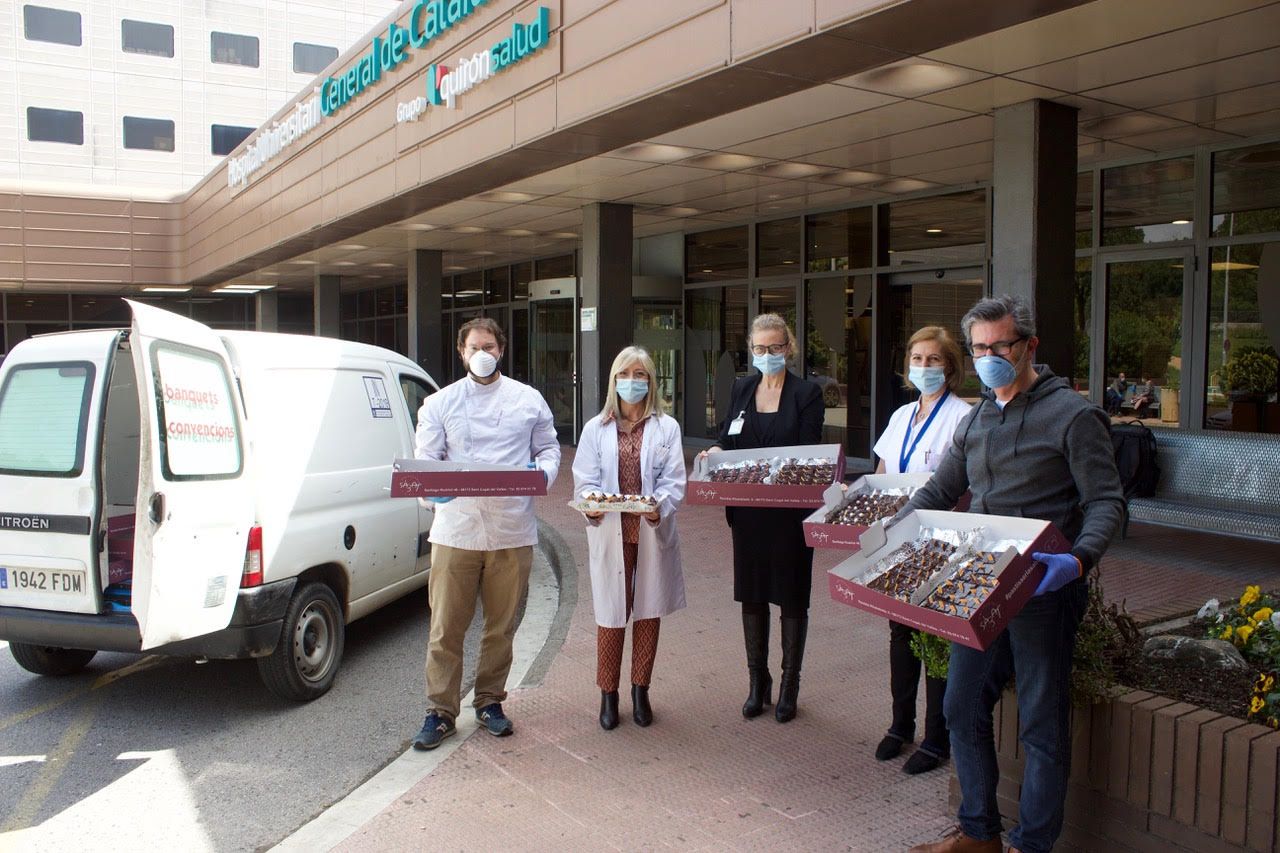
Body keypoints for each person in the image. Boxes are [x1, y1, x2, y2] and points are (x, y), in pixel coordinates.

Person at [905, 295, 1125, 853]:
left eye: (1000, 345)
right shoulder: (979, 415)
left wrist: (1078, 559)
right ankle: (979, 834)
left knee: (1040, 724)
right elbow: (940, 489)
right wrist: (887, 528)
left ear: (1029, 346)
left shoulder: (1073, 415)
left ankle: (1033, 844)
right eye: (979, 348)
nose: (989, 356)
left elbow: (1106, 502)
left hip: (1044, 588)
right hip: (980, 583)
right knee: (960, 706)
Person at [410, 317, 561, 750]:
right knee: (445, 628)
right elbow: (426, 462)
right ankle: (440, 711)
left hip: (512, 530)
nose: (483, 353)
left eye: (490, 346)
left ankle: (490, 701)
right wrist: (430, 496)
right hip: (456, 530)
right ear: (462, 352)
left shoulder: (527, 400)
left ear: (502, 350)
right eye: (475, 346)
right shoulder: (440, 404)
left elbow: (548, 448)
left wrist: (542, 474)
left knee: (501, 626)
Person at [702, 313, 824, 723]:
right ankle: (759, 682)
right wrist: (715, 453)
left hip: (790, 515)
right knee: (752, 595)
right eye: (759, 349)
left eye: (775, 347)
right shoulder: (741, 388)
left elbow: (808, 453)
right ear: (750, 350)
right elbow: (727, 437)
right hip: (749, 510)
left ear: (788, 347)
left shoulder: (807, 394)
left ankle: (790, 685)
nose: (767, 355)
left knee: (791, 595)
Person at [870, 326, 972, 775]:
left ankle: (937, 739)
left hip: (942, 542)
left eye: (933, 360)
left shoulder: (965, 417)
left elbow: (966, 486)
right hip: (899, 542)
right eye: (917, 359)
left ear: (950, 367)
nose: (924, 368)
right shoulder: (899, 417)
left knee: (935, 638)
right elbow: (881, 473)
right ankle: (899, 725)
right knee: (902, 635)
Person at [573, 346, 687, 730]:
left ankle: (641, 689)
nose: (633, 382)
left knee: (648, 611)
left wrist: (660, 507)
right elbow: (585, 480)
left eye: (641, 375)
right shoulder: (596, 427)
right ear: (614, 380)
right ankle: (609, 694)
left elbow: (673, 481)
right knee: (611, 613)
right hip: (611, 532)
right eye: (626, 374)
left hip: (650, 531)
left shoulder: (666, 428)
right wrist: (591, 504)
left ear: (652, 382)